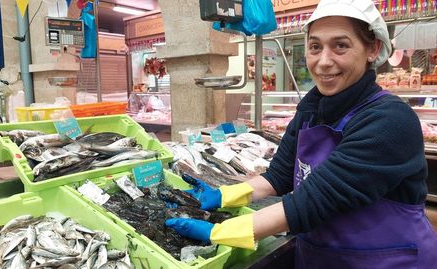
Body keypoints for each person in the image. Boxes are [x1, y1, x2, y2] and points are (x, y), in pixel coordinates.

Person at [165, 0, 437, 268]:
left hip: (389, 260)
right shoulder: (311, 109)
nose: (323, 61)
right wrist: (225, 195)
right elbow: (279, 176)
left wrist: (219, 232)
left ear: (372, 49)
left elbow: (314, 201)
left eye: (340, 46)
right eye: (315, 47)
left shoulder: (390, 120)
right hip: (322, 256)